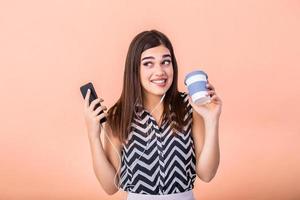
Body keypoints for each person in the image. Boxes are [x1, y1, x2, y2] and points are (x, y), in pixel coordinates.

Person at [83, 29, 222, 200]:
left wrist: (212, 120)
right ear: (135, 69)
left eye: (166, 62)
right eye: (148, 63)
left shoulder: (190, 107)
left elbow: (207, 174)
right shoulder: (119, 114)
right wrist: (93, 135)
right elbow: (110, 187)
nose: (160, 71)